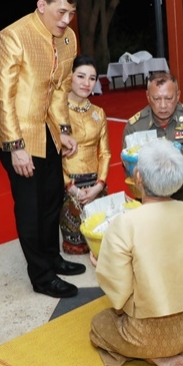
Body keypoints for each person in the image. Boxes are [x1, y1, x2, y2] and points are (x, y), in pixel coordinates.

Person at [0, 0, 85, 298]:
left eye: (71, 13)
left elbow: (59, 90)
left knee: (52, 198)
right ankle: (41, 277)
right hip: (14, 131)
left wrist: (65, 130)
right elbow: (1, 99)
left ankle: (52, 258)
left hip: (47, 130)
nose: (66, 20)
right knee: (30, 206)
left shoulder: (67, 38)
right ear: (41, 5)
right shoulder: (11, 37)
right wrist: (16, 148)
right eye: (61, 12)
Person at [89, 139, 183, 366]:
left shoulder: (126, 223)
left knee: (98, 325)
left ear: (138, 177)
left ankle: (155, 357)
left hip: (146, 336)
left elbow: (119, 290)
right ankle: (177, 348)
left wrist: (99, 265)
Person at [123, 71, 183, 208]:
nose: (162, 105)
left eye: (168, 98)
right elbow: (129, 168)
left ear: (178, 96)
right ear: (148, 97)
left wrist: (180, 168)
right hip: (151, 199)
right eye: (156, 99)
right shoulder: (135, 127)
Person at [59, 55, 111, 254]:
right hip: (66, 186)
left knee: (103, 241)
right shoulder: (57, 111)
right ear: (70, 76)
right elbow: (52, 156)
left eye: (92, 78)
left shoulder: (98, 112)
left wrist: (99, 185)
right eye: (81, 76)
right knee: (77, 246)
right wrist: (72, 189)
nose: (86, 83)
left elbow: (105, 153)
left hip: (95, 184)